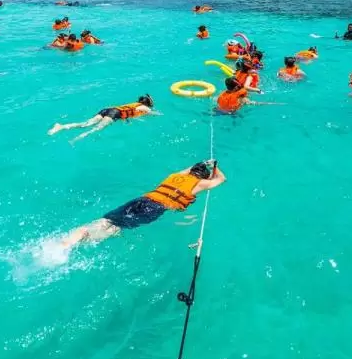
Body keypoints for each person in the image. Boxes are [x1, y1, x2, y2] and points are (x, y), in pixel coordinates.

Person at [61, 160, 226, 250]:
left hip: (141, 200)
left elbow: (186, 170)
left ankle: (77, 234)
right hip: (154, 208)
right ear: (203, 177)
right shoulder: (200, 183)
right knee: (118, 228)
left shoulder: (174, 176)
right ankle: (88, 236)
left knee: (108, 220)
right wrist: (215, 167)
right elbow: (221, 179)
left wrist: (204, 162)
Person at [48, 95, 155, 141]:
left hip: (107, 110)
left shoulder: (135, 104)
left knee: (86, 124)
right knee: (96, 129)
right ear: (148, 104)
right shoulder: (145, 108)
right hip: (114, 113)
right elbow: (153, 113)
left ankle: (61, 126)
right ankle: (76, 139)